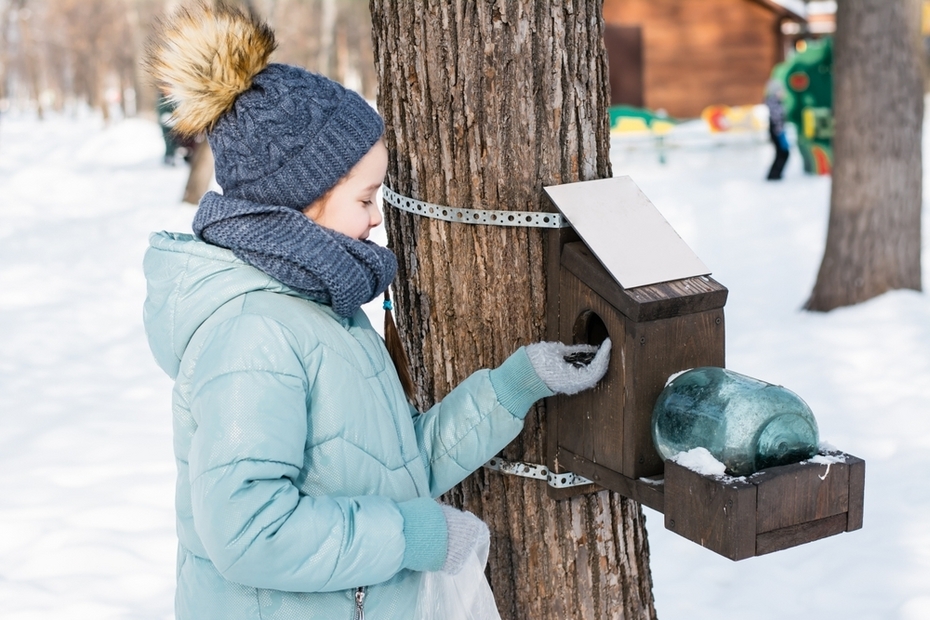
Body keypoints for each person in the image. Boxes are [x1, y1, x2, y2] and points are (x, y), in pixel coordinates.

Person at [141, 4, 611, 620]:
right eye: (364, 197)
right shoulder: (253, 335)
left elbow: (390, 469)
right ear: (299, 202)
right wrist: (411, 536)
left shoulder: (319, 306)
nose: (375, 217)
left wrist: (515, 386)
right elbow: (249, 532)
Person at [765, 78, 790, 180]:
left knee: (782, 153)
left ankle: (775, 174)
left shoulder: (777, 102)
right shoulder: (774, 102)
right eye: (780, 90)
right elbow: (777, 119)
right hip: (777, 131)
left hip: (778, 131)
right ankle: (774, 174)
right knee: (783, 153)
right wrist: (780, 133)